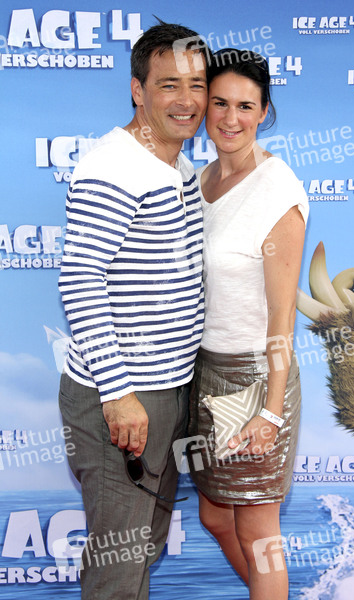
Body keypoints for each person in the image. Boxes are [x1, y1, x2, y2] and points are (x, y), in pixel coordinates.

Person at [58, 21, 208, 600]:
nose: (187, 100)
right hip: (122, 399)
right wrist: (119, 394)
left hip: (168, 390)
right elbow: (80, 281)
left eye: (197, 85)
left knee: (143, 549)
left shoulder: (178, 166)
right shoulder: (113, 168)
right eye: (169, 85)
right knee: (117, 573)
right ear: (137, 90)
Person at [188, 48, 309, 600]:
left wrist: (271, 410)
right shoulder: (202, 179)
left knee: (258, 534)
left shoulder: (277, 190)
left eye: (245, 106)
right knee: (215, 516)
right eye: (220, 103)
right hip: (203, 372)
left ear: (264, 112)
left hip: (253, 378)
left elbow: (282, 317)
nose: (230, 118)